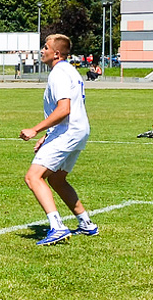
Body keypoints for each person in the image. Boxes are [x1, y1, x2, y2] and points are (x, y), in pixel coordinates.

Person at [19, 34, 99, 246]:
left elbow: (64, 109)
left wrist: (35, 129)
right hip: (77, 130)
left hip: (68, 131)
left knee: (33, 177)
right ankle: (86, 223)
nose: (41, 51)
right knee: (56, 178)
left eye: (45, 47)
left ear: (56, 53)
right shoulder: (70, 70)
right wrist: (47, 136)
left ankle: (57, 226)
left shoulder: (58, 73)